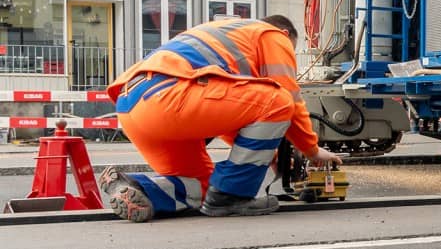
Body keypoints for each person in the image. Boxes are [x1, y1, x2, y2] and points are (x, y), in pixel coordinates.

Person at [99, 15, 343, 222]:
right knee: (277, 100)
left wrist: (272, 156)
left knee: (203, 187)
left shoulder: (231, 40)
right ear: (285, 33)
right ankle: (232, 196)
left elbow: (229, 118)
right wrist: (311, 150)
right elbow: (288, 96)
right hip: (168, 95)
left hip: (134, 106)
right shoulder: (271, 34)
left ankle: (133, 186)